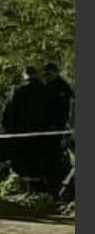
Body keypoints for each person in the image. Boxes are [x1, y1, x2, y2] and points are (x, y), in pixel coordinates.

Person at [2, 66, 48, 180]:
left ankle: (20, 181)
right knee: (36, 158)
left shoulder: (18, 90)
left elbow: (9, 109)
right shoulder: (45, 90)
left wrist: (6, 125)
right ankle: (37, 181)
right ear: (36, 74)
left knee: (20, 159)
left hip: (20, 129)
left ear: (24, 75)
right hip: (40, 129)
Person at [41, 62, 74, 193]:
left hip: (57, 128)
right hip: (46, 128)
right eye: (45, 74)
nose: (46, 77)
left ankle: (55, 186)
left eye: (49, 74)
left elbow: (65, 110)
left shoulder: (62, 87)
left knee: (55, 158)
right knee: (47, 158)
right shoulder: (46, 87)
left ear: (56, 73)